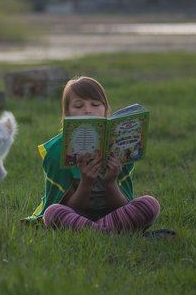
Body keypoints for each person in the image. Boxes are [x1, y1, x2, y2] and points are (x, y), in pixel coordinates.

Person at [23, 76, 164, 234]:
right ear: (67, 113)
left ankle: (97, 232)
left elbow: (123, 205)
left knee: (149, 204)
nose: (88, 110)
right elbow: (68, 207)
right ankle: (110, 233)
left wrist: (110, 183)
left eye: (95, 104)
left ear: (105, 110)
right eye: (78, 105)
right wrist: (86, 182)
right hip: (77, 215)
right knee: (53, 213)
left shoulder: (119, 144)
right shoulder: (58, 151)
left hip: (112, 214)